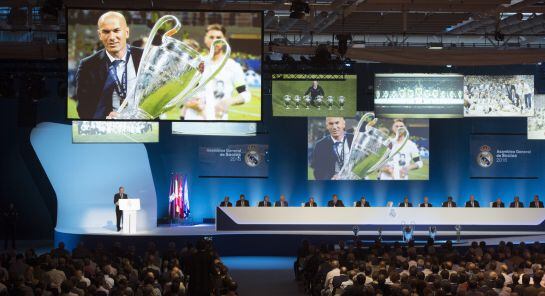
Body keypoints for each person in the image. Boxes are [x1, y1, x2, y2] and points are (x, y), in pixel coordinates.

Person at [74, 11, 143, 119]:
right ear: (100, 35)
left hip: (143, 127)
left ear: (126, 32)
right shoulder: (88, 65)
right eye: (106, 32)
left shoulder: (145, 57)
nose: (112, 37)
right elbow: (84, 108)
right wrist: (104, 121)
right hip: (108, 129)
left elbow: (158, 98)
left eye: (116, 31)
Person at [183, 24, 251, 120]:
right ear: (205, 39)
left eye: (218, 37)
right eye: (211, 37)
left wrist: (228, 102)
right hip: (192, 121)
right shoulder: (195, 63)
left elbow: (245, 94)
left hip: (218, 122)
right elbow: (181, 93)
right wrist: (189, 103)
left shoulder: (233, 66)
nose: (215, 40)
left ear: (224, 40)